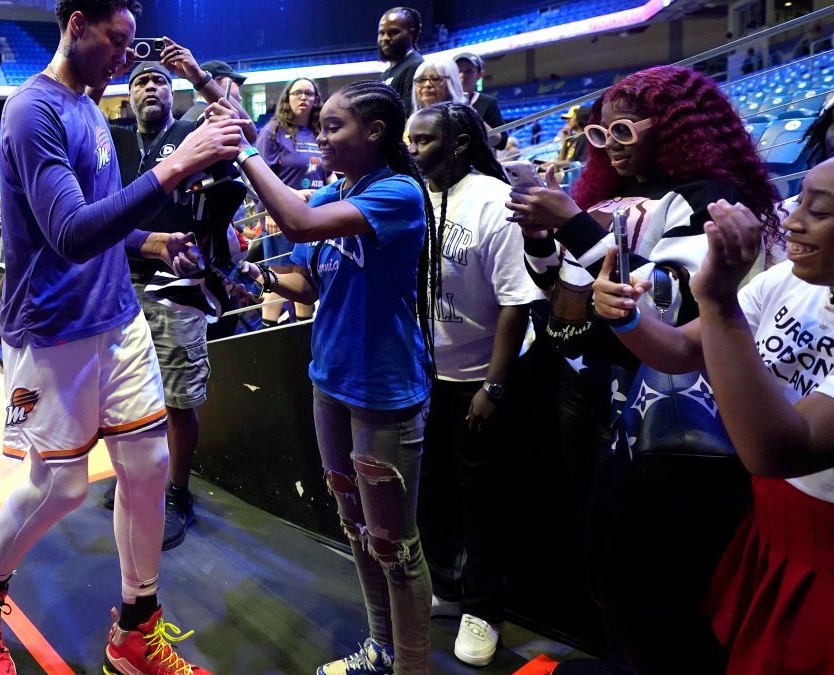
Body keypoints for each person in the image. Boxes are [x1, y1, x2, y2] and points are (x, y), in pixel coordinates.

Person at [0, 1, 245, 674]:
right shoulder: (32, 112)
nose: (123, 59)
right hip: (52, 335)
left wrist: (153, 239)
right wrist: (173, 167)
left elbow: (101, 221)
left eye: (131, 46)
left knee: (147, 466)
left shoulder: (88, 107)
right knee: (62, 488)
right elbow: (72, 232)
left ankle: (137, 628)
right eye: (115, 42)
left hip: (118, 317)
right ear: (76, 25)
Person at [506, 65, 783, 674]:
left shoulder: (709, 194)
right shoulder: (606, 194)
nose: (610, 147)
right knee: (606, 557)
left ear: (676, 126)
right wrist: (543, 239)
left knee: (657, 575)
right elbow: (565, 288)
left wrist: (574, 224)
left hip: (671, 405)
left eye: (623, 131)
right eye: (600, 136)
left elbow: (677, 304)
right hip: (592, 387)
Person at [591, 143, 834, 675]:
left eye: (821, 209)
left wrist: (717, 298)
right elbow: (680, 351)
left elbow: (779, 448)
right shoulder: (790, 281)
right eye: (799, 199)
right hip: (769, 522)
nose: (792, 219)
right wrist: (625, 316)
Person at [232, 79, 437, 674]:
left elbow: (293, 222)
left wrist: (246, 152)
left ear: (375, 132)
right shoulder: (334, 192)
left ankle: (412, 668)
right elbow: (309, 280)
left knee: (396, 546)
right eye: (318, 126)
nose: (319, 137)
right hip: (331, 383)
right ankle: (380, 648)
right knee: (357, 529)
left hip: (383, 391)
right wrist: (259, 279)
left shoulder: (398, 193)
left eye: (332, 127)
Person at [408, 102, 540, 667]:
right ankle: (448, 588)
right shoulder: (416, 195)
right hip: (424, 375)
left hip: (476, 380)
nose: (411, 150)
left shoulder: (493, 200)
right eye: (409, 140)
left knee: (480, 502)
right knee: (432, 489)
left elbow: (516, 303)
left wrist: (494, 385)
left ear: (460, 143)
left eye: (423, 140)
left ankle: (484, 610)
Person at [107, 40, 253, 550]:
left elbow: (244, 135)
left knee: (177, 398)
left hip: (180, 287)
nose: (152, 87)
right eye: (141, 82)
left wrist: (195, 73)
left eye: (160, 82)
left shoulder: (192, 131)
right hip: (119, 283)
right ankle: (135, 479)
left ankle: (176, 492)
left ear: (173, 93)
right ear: (127, 97)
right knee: (125, 394)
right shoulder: (115, 140)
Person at [255, 76, 328, 326]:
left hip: (314, 214)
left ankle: (301, 333)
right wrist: (270, 211)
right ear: (288, 98)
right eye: (297, 93)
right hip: (281, 215)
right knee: (279, 278)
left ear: (316, 99)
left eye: (309, 93)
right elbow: (260, 176)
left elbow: (327, 172)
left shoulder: (320, 131)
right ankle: (268, 335)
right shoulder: (273, 131)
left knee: (305, 275)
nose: (303, 98)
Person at [453, 52, 507, 150]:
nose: (462, 75)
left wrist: (475, 117)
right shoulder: (444, 101)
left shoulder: (489, 103)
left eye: (468, 71)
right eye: (457, 71)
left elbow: (502, 143)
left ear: (479, 74)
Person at [378, 7, 424, 117]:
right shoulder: (389, 71)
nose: (385, 38)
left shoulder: (415, 65)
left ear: (411, 33)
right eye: (382, 33)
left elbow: (409, 115)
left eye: (393, 32)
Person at [181, 59, 246, 123]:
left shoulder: (195, 113)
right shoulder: (211, 116)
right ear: (215, 83)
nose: (240, 86)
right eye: (234, 80)